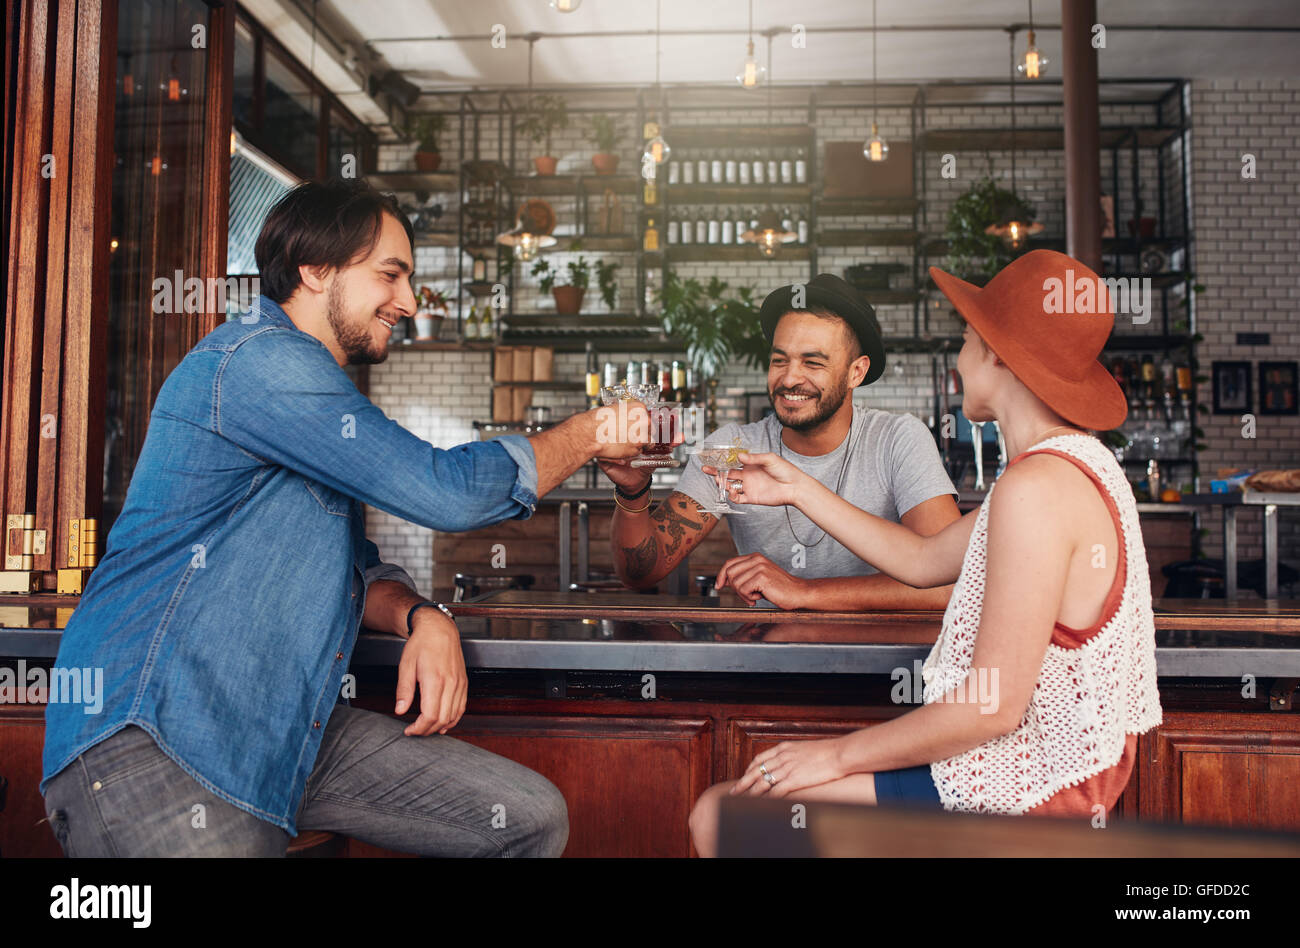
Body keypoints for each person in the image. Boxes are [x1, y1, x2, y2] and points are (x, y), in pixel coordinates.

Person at [41, 179, 647, 857]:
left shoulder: (312, 387)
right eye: (390, 275)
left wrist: (422, 615)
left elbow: (351, 569)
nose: (410, 302)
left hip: (285, 732)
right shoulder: (259, 362)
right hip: (159, 737)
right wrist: (595, 431)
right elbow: (445, 491)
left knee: (525, 818)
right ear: (315, 268)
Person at [689, 250, 1163, 856]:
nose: (961, 360)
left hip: (1031, 787)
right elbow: (922, 561)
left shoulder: (1035, 489)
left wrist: (830, 754)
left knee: (720, 818)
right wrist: (794, 486)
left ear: (995, 352)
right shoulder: (1069, 467)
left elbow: (992, 708)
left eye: (966, 340)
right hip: (1046, 772)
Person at [602, 274, 960, 609]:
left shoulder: (898, 439)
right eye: (779, 360)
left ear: (856, 372)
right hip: (771, 661)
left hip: (881, 666)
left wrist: (805, 592)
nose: (790, 378)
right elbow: (641, 573)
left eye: (813, 362)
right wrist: (634, 492)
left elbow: (948, 584)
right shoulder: (733, 448)